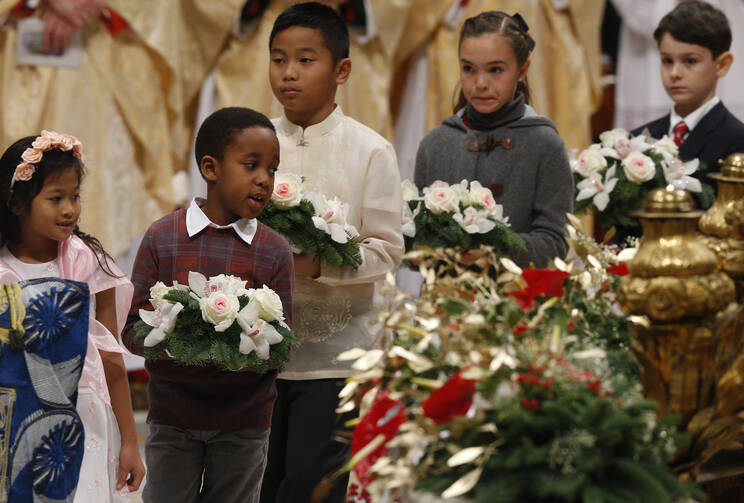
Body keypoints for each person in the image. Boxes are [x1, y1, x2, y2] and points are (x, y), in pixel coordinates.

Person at [259, 3, 404, 502]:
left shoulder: (370, 151)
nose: (289, 73)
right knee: (258, 480)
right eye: (278, 60)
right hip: (255, 352)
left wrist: (317, 265)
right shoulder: (253, 143)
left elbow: (386, 250)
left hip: (336, 356)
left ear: (341, 70)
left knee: (309, 485)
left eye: (305, 60)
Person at [121, 107, 294, 503]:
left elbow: (283, 347)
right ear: (211, 168)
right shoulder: (163, 237)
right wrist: (180, 340)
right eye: (251, 165)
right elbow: (131, 328)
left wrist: (238, 342)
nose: (264, 180)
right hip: (174, 418)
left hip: (244, 423)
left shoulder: (274, 250)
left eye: (272, 169)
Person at [0, 130, 145, 502]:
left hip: (84, 415)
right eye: (56, 198)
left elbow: (111, 357)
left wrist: (130, 440)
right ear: (16, 204)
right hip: (13, 418)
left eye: (75, 196)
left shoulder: (88, 261)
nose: (70, 209)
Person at [413, 10, 573, 268]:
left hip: (519, 301)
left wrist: (494, 252)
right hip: (444, 300)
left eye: (495, 70)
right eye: (468, 69)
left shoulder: (545, 144)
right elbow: (414, 245)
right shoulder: (435, 144)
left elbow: (555, 243)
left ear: (522, 70)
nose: (480, 83)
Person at [631, 1, 744, 180]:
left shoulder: (737, 141)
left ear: (722, 65)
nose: (675, 73)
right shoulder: (637, 138)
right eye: (667, 61)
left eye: (690, 61)